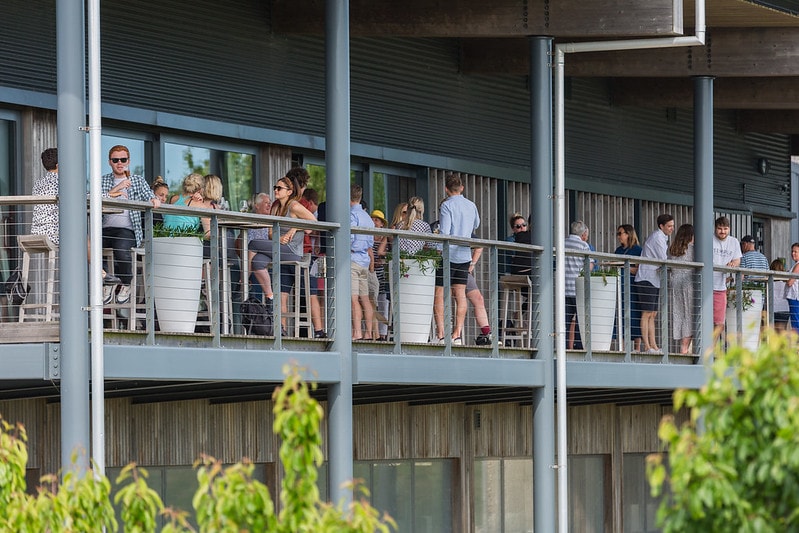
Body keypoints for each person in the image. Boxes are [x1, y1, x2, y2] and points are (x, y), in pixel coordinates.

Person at [249, 175, 316, 336]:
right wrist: (279, 238)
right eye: (275, 188)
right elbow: (271, 233)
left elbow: (313, 223)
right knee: (257, 261)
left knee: (252, 244)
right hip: (279, 247)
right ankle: (270, 296)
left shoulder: (294, 206)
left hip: (292, 251)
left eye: (279, 188)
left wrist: (294, 228)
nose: (276, 191)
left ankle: (246, 279)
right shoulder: (275, 207)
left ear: (289, 191)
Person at [101, 145, 161, 305]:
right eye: (115, 160)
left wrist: (155, 200)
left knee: (121, 251)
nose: (119, 163)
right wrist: (117, 188)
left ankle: (126, 283)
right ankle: (107, 282)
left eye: (123, 159)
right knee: (90, 248)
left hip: (127, 230)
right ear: (110, 162)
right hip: (104, 228)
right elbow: (93, 196)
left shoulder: (137, 180)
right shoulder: (103, 180)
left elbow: (150, 196)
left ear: (128, 161)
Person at [433, 173, 480, 345]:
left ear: (446, 189)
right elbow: (476, 224)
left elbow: (445, 230)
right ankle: (457, 334)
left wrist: (438, 250)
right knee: (460, 294)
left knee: (439, 293)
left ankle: (441, 334)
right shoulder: (471, 205)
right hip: (464, 254)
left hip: (448, 254)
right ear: (462, 188)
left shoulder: (446, 205)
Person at [635, 213, 675, 353]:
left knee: (652, 313)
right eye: (669, 226)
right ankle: (647, 346)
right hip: (647, 277)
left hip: (654, 279)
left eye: (672, 226)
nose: (671, 229)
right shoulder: (658, 237)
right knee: (647, 313)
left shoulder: (662, 238)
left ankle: (654, 345)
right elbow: (664, 259)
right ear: (661, 226)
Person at [350, 184, 375, 340]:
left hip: (352, 259)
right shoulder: (367, 217)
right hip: (364, 261)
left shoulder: (352, 215)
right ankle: (368, 333)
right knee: (365, 298)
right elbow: (371, 242)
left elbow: (349, 237)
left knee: (353, 298)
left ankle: (357, 332)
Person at [614, 224, 642, 351]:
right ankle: (623, 346)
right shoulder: (618, 251)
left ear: (628, 234)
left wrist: (625, 267)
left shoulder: (637, 250)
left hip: (632, 286)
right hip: (620, 286)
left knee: (635, 313)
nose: (619, 236)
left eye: (621, 233)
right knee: (621, 313)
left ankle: (637, 347)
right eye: (618, 234)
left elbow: (639, 270)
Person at [668, 224, 695, 354]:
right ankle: (685, 348)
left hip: (675, 283)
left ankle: (682, 347)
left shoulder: (674, 248)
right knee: (690, 315)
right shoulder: (692, 249)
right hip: (689, 283)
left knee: (679, 314)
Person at [565, 220, 591, 350]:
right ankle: (579, 346)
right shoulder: (583, 246)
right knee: (581, 320)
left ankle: (563, 345)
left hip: (563, 288)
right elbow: (589, 266)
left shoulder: (562, 243)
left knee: (565, 320)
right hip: (578, 288)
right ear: (583, 233)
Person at [712, 216, 742, 332]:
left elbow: (737, 260)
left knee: (719, 323)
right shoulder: (709, 239)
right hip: (705, 285)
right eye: (720, 228)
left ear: (729, 229)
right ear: (715, 228)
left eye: (725, 228)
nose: (723, 231)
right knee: (704, 320)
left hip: (721, 287)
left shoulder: (733, 241)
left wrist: (732, 264)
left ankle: (711, 348)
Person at [30, 148, 60, 246]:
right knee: (84, 239)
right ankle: (95, 262)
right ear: (58, 165)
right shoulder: (62, 182)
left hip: (36, 233)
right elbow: (82, 196)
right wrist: (107, 194)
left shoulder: (38, 183)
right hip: (54, 234)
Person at [466, 245, 493, 345]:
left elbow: (479, 245)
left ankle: (487, 334)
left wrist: (471, 265)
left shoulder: (465, 231)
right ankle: (444, 335)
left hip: (462, 269)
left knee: (478, 299)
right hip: (443, 267)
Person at [370, 209, 390, 341]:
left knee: (382, 302)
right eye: (372, 219)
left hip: (381, 271)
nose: (374, 222)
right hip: (370, 270)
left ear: (382, 223)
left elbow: (386, 255)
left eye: (376, 220)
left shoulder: (385, 236)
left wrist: (381, 261)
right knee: (370, 301)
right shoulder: (368, 235)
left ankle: (382, 332)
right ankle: (371, 331)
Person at [770, 259, 790, 332]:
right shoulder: (786, 283)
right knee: (782, 332)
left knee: (773, 332)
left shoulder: (769, 283)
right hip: (784, 309)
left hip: (773, 309)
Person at [785, 243, 799, 332]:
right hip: (795, 297)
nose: (793, 253)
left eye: (795, 252)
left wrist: (785, 279)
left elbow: (790, 282)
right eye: (792, 251)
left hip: (795, 297)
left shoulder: (798, 265)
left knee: (795, 321)